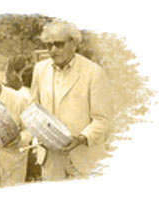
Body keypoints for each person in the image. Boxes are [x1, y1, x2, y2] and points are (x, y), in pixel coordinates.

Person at [30, 21, 113, 180]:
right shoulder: (40, 70)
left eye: (59, 44)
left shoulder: (94, 73)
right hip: (51, 160)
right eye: (49, 46)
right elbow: (33, 109)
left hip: (83, 160)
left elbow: (103, 119)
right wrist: (37, 137)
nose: (53, 50)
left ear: (73, 44)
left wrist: (81, 138)